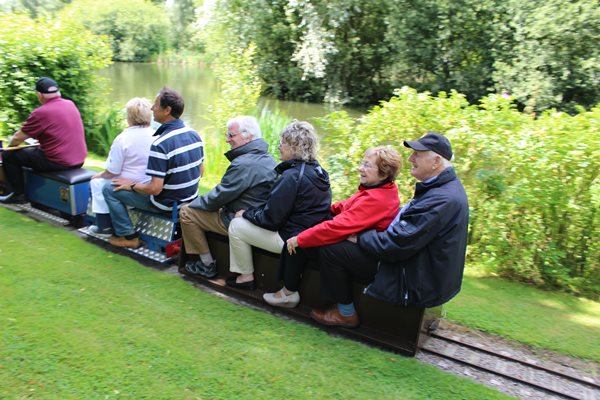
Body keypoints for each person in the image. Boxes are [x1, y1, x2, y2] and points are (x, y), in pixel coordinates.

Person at [311, 132, 469, 328]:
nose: (410, 159)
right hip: (421, 269)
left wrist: (359, 236)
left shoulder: (441, 199)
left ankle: (345, 313)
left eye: (417, 154)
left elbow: (393, 245)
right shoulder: (445, 188)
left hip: (413, 277)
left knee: (332, 249)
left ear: (436, 161)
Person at [263, 146, 402, 308]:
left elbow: (338, 226)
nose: (360, 168)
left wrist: (301, 239)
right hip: (358, 243)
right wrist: (316, 212)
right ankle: (290, 291)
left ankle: (290, 294)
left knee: (301, 240)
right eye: (362, 163)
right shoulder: (377, 189)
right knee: (304, 231)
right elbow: (343, 207)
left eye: (367, 165)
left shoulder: (377, 198)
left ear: (383, 174)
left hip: (368, 256)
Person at [226, 121, 332, 290]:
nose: (279, 147)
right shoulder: (318, 171)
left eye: (283, 143)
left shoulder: (292, 176)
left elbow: (271, 220)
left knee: (236, 225)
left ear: (294, 147)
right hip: (308, 236)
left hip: (290, 241)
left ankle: (245, 277)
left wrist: (245, 214)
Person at [102, 87, 203, 249]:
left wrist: (132, 185)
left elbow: (155, 189)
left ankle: (128, 236)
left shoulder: (161, 143)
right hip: (189, 200)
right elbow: (200, 172)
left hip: (166, 205)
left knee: (109, 189)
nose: (151, 108)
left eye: (155, 105)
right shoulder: (194, 134)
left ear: (167, 110)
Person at [179, 116, 277, 279]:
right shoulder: (268, 158)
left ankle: (206, 264)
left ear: (248, 137)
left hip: (239, 219)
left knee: (186, 212)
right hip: (256, 217)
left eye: (231, 135)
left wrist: (192, 203)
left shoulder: (243, 164)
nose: (227, 140)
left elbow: (218, 197)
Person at [0, 77, 87, 204]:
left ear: (39, 95)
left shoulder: (41, 112)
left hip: (58, 162)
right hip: (79, 160)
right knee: (31, 152)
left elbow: (18, 138)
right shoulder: (70, 104)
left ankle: (18, 195)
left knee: (9, 156)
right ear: (58, 92)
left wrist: (9, 147)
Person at [87, 98, 156, 236]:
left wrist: (98, 175)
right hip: (150, 185)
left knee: (97, 183)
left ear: (129, 118)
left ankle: (104, 226)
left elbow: (112, 171)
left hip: (132, 188)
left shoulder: (123, 139)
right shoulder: (156, 135)